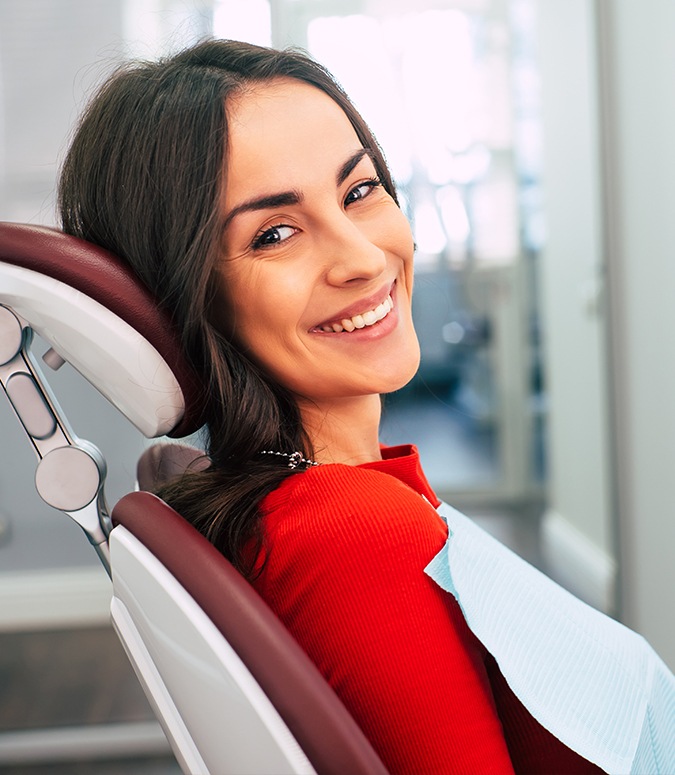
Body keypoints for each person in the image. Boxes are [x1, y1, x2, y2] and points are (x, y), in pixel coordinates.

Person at [58, 39, 673, 775]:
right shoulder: (352, 536)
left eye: (359, 190)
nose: (361, 257)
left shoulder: (328, 502)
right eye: (273, 234)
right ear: (182, 293)